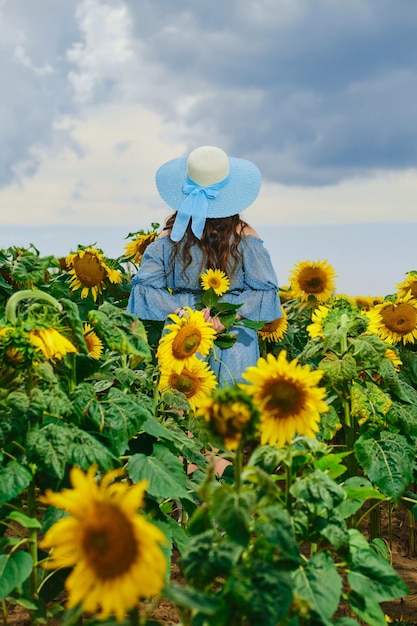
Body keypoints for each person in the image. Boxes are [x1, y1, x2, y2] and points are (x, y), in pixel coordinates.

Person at [127, 145, 282, 386]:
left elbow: (144, 288)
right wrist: (230, 316)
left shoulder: (170, 237)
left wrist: (183, 312)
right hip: (234, 331)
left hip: (183, 331)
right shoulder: (244, 235)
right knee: (232, 410)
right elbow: (265, 289)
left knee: (180, 408)